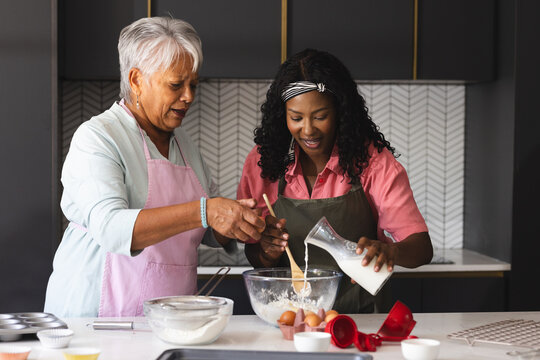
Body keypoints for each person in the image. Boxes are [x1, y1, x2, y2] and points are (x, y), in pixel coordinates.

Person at [44, 17, 265, 317]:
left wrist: (237, 221)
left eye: (193, 85)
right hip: (95, 321)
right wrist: (206, 210)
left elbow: (208, 231)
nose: (189, 96)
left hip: (169, 322)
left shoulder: (185, 146)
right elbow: (111, 228)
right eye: (176, 84)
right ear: (136, 80)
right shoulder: (98, 138)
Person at [237, 49, 433, 314]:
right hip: (287, 318)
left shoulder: (373, 162)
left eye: (320, 116)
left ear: (340, 111)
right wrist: (266, 252)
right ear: (283, 115)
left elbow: (422, 249)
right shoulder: (264, 162)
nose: (308, 130)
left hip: (360, 322)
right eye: (296, 118)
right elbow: (254, 254)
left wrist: (391, 251)